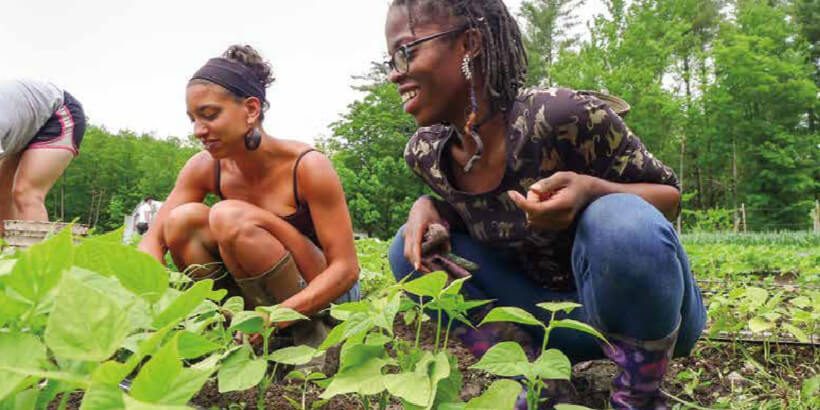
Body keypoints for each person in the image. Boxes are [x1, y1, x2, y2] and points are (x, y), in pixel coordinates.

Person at [383, 1, 706, 409]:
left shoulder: (561, 116)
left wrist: (590, 189)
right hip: (545, 321)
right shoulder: (427, 153)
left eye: (406, 51)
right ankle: (540, 383)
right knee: (407, 252)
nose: (395, 72)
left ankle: (639, 393)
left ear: (470, 43)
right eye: (390, 59)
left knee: (619, 220)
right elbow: (478, 212)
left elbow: (668, 201)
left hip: (647, 314)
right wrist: (429, 207)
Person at [138, 45, 360, 349]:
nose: (198, 131)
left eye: (209, 115)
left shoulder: (307, 166)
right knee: (182, 221)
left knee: (229, 216)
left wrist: (280, 315)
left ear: (251, 110)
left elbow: (345, 269)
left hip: (326, 291)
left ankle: (305, 340)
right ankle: (234, 332)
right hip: (261, 296)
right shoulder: (204, 167)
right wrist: (156, 300)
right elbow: (151, 241)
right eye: (192, 119)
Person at [0, 80, 86, 238]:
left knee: (25, 192)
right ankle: (6, 255)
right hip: (23, 125)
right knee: (2, 192)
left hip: (58, 113)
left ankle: (37, 259)